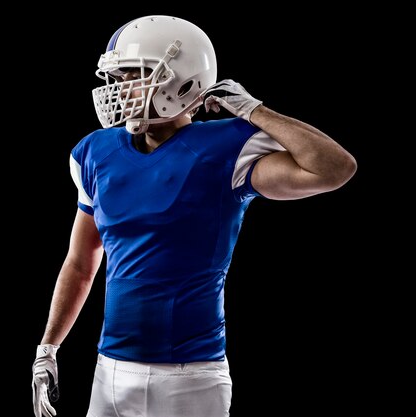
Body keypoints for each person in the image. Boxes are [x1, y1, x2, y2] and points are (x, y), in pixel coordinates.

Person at [31, 15, 357, 417]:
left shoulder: (222, 147)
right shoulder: (94, 152)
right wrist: (48, 346)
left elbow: (334, 168)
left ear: (180, 80)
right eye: (116, 78)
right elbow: (81, 264)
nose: (118, 89)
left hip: (190, 378)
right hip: (109, 371)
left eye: (133, 75)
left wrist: (255, 111)